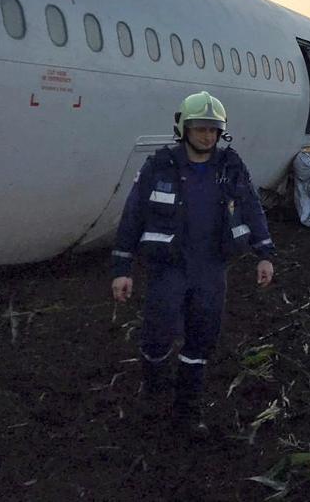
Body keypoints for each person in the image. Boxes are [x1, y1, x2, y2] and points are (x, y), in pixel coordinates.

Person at [110, 91, 275, 439]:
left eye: (214, 130)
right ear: (183, 128)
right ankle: (154, 390)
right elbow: (133, 214)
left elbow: (251, 207)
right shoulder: (160, 165)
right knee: (157, 335)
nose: (207, 137)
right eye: (200, 129)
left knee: (201, 339)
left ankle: (187, 410)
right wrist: (121, 268)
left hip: (211, 268)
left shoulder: (230, 166)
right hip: (168, 267)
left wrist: (265, 254)